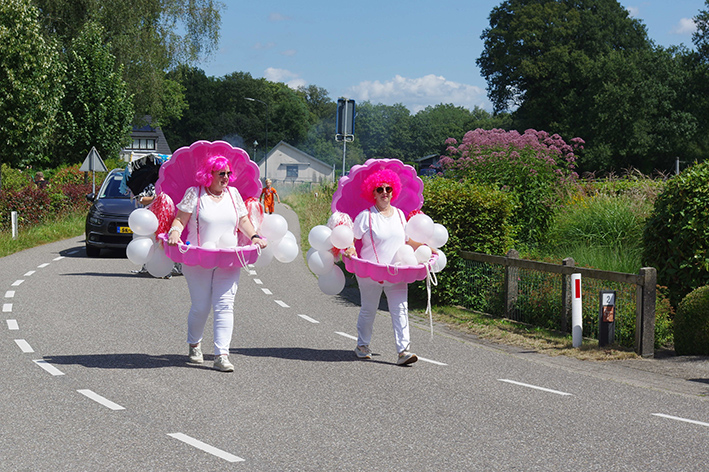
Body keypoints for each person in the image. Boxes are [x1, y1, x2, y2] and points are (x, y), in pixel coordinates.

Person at [167, 155, 267, 372]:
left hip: (228, 257)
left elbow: (243, 221)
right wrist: (175, 231)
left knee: (225, 305)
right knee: (201, 306)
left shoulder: (234, 195)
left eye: (229, 173)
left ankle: (222, 355)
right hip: (198, 257)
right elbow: (179, 219)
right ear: (208, 174)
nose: (226, 178)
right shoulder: (195, 194)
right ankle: (194, 345)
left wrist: (254, 237)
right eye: (221, 173)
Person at [343, 169, 428, 366]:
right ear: (372, 193)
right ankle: (362, 346)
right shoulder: (366, 216)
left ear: (393, 191)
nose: (384, 192)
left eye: (388, 188)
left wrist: (428, 249)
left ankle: (403, 351)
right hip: (370, 272)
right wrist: (349, 251)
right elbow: (351, 240)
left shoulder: (400, 215)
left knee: (400, 309)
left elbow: (409, 241)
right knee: (369, 309)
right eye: (379, 189)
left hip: (396, 271)